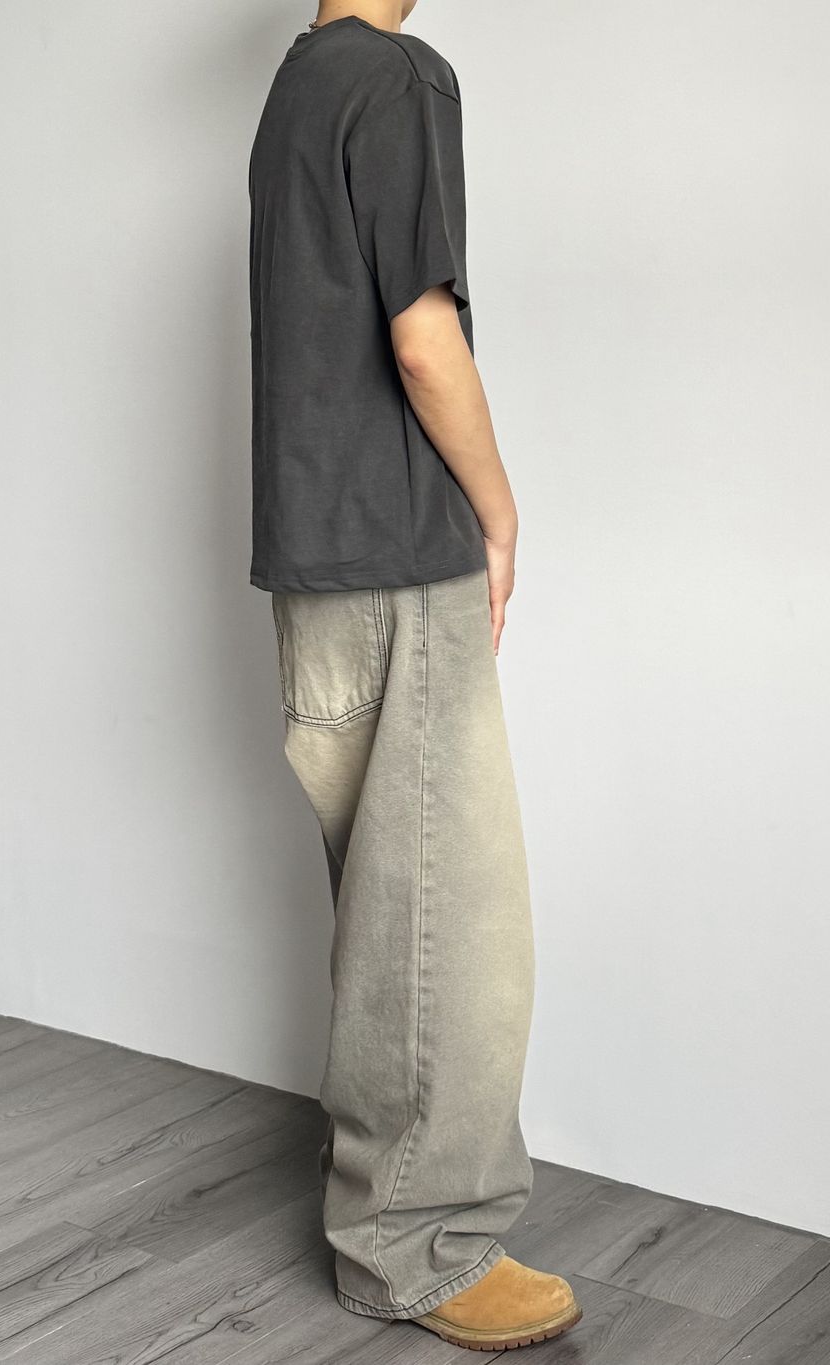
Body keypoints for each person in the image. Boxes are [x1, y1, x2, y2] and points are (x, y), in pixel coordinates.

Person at [247, 0, 582, 1350]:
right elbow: (422, 335)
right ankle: (418, 1249)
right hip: (397, 557)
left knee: (390, 921)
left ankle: (395, 1222)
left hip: (317, 568)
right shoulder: (394, 77)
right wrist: (499, 513)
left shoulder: (293, 87)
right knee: (451, 929)